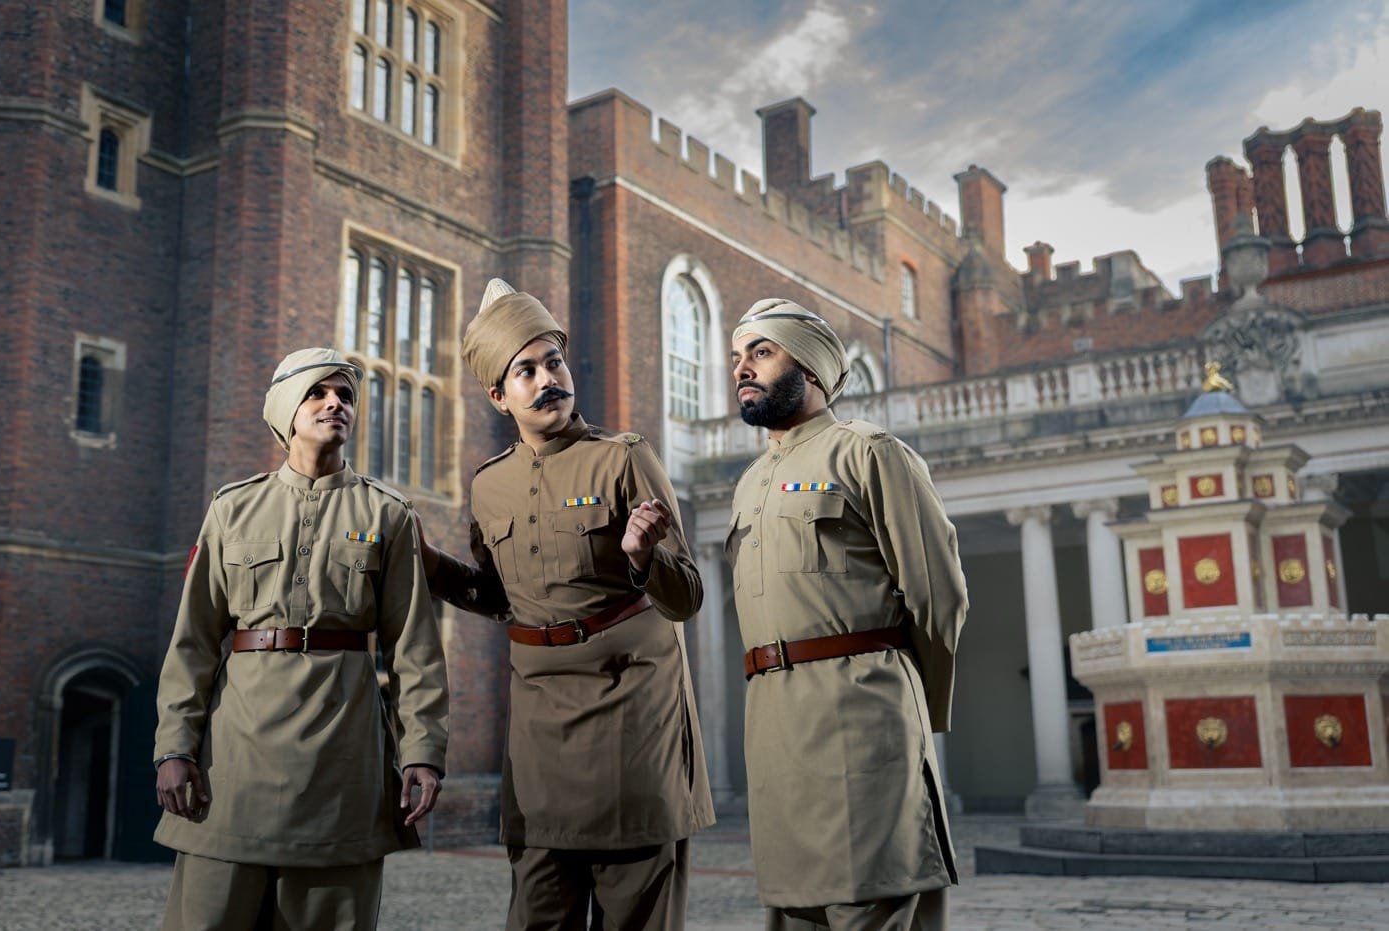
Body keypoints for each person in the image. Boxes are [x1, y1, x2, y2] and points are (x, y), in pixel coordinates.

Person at [418, 278, 714, 930]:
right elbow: (499, 599)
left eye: (553, 361)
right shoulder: (488, 485)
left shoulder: (624, 457)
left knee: (635, 909)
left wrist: (644, 557)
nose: (548, 377)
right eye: (526, 369)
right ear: (499, 395)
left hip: (633, 721)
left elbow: (687, 595)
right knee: (537, 911)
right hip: (540, 726)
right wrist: (429, 564)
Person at [152, 347, 449, 930]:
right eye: (318, 392)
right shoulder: (231, 509)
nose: (335, 403)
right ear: (287, 408)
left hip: (342, 762)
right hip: (232, 762)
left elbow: (416, 649)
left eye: (345, 396)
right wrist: (175, 748)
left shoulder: (389, 515)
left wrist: (423, 753)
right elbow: (192, 642)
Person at [725, 299, 968, 931]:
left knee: (873, 900)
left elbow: (938, 595)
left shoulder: (869, 453)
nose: (742, 369)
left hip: (861, 713)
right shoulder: (749, 482)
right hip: (773, 723)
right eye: (737, 356)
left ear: (808, 367)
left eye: (760, 352)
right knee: (795, 909)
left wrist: (912, 701)